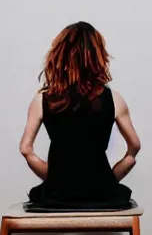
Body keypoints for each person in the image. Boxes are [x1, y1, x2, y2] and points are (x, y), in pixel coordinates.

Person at [19, 21, 141, 210]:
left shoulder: (42, 100)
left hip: (57, 196)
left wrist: (55, 180)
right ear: (98, 57)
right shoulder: (114, 99)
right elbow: (133, 149)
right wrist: (109, 181)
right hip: (101, 195)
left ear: (58, 56)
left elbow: (26, 149)